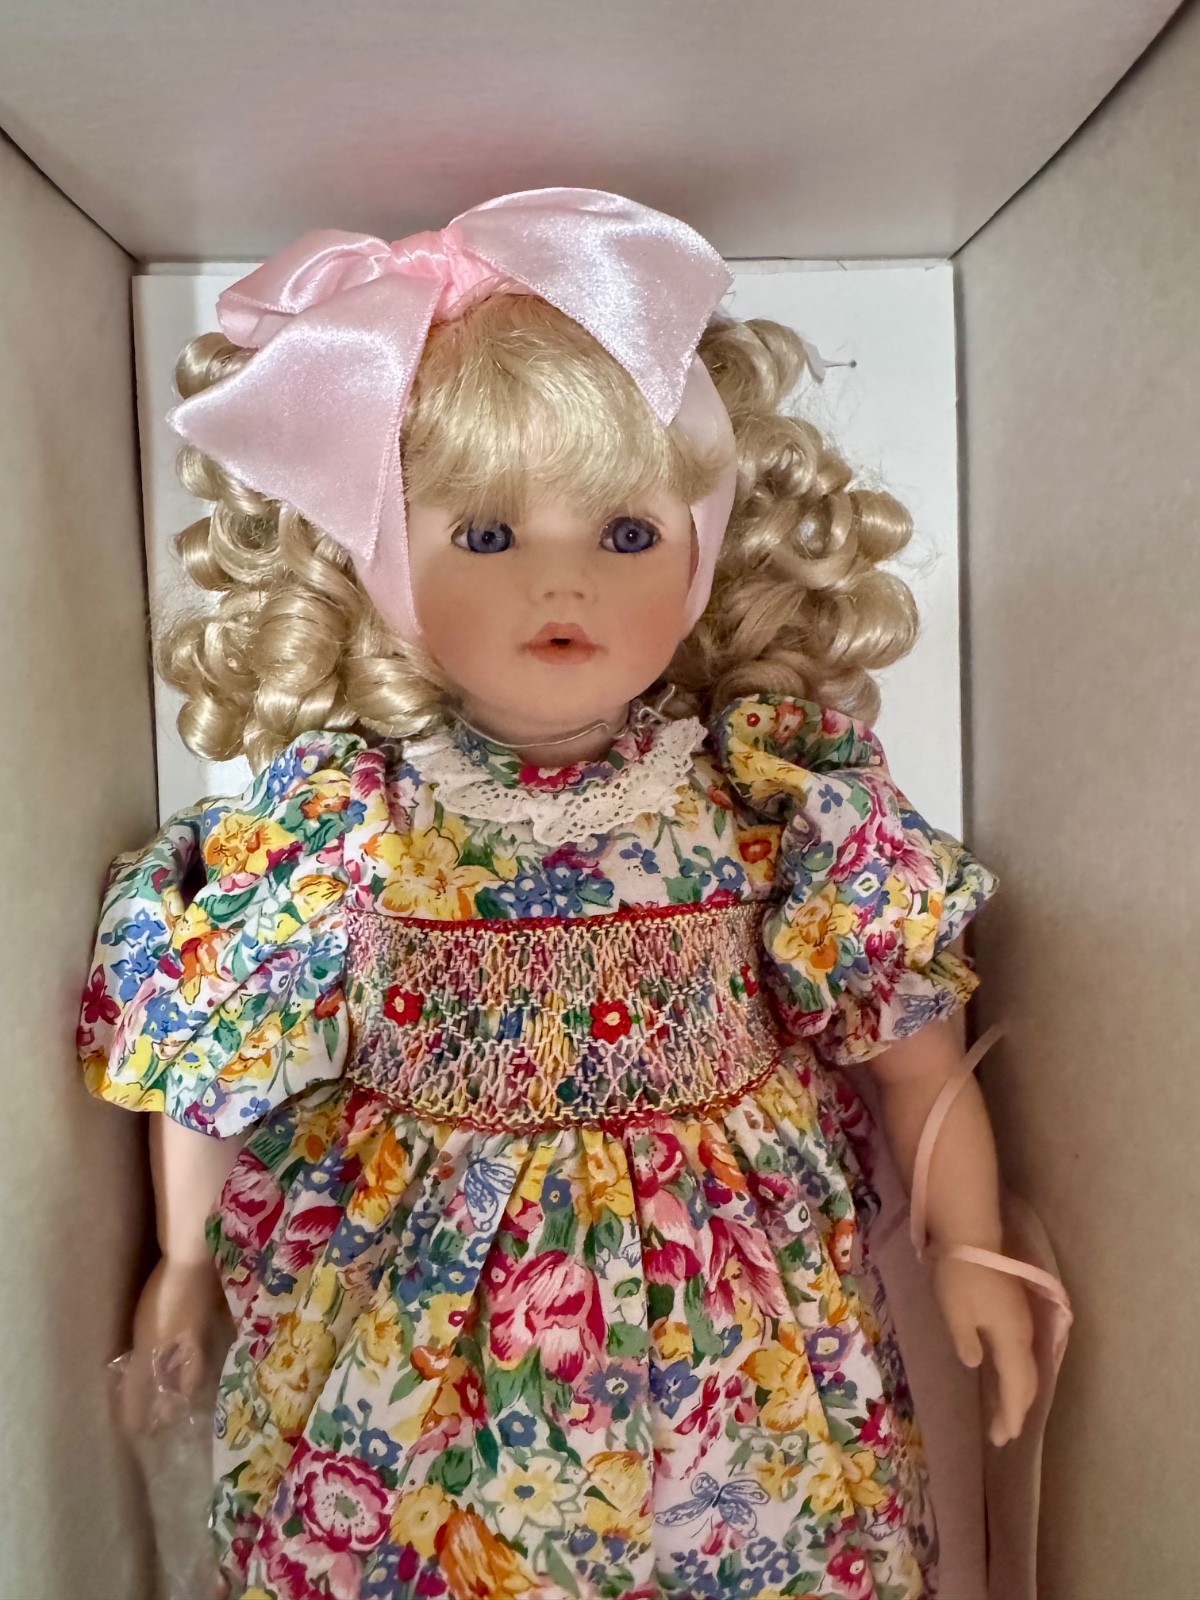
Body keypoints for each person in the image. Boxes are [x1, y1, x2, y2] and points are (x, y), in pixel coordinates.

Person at [77, 187, 1067, 1600]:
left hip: (738, 1331)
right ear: (381, 563)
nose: (565, 584)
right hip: (424, 1324)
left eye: (627, 534)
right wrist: (182, 1261)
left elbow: (913, 1052)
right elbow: (215, 1041)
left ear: (707, 551)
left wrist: (972, 1241)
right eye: (485, 537)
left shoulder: (769, 793)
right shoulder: (355, 813)